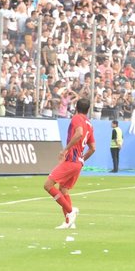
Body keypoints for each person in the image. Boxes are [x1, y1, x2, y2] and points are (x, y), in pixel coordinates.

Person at [44, 98, 96, 229]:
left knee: (48, 185)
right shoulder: (89, 124)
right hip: (78, 162)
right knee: (63, 190)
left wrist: (65, 149)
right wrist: (82, 159)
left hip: (71, 160)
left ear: (76, 108)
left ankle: (70, 211)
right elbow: (93, 148)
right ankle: (69, 222)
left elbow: (79, 134)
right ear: (88, 110)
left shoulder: (77, 118)